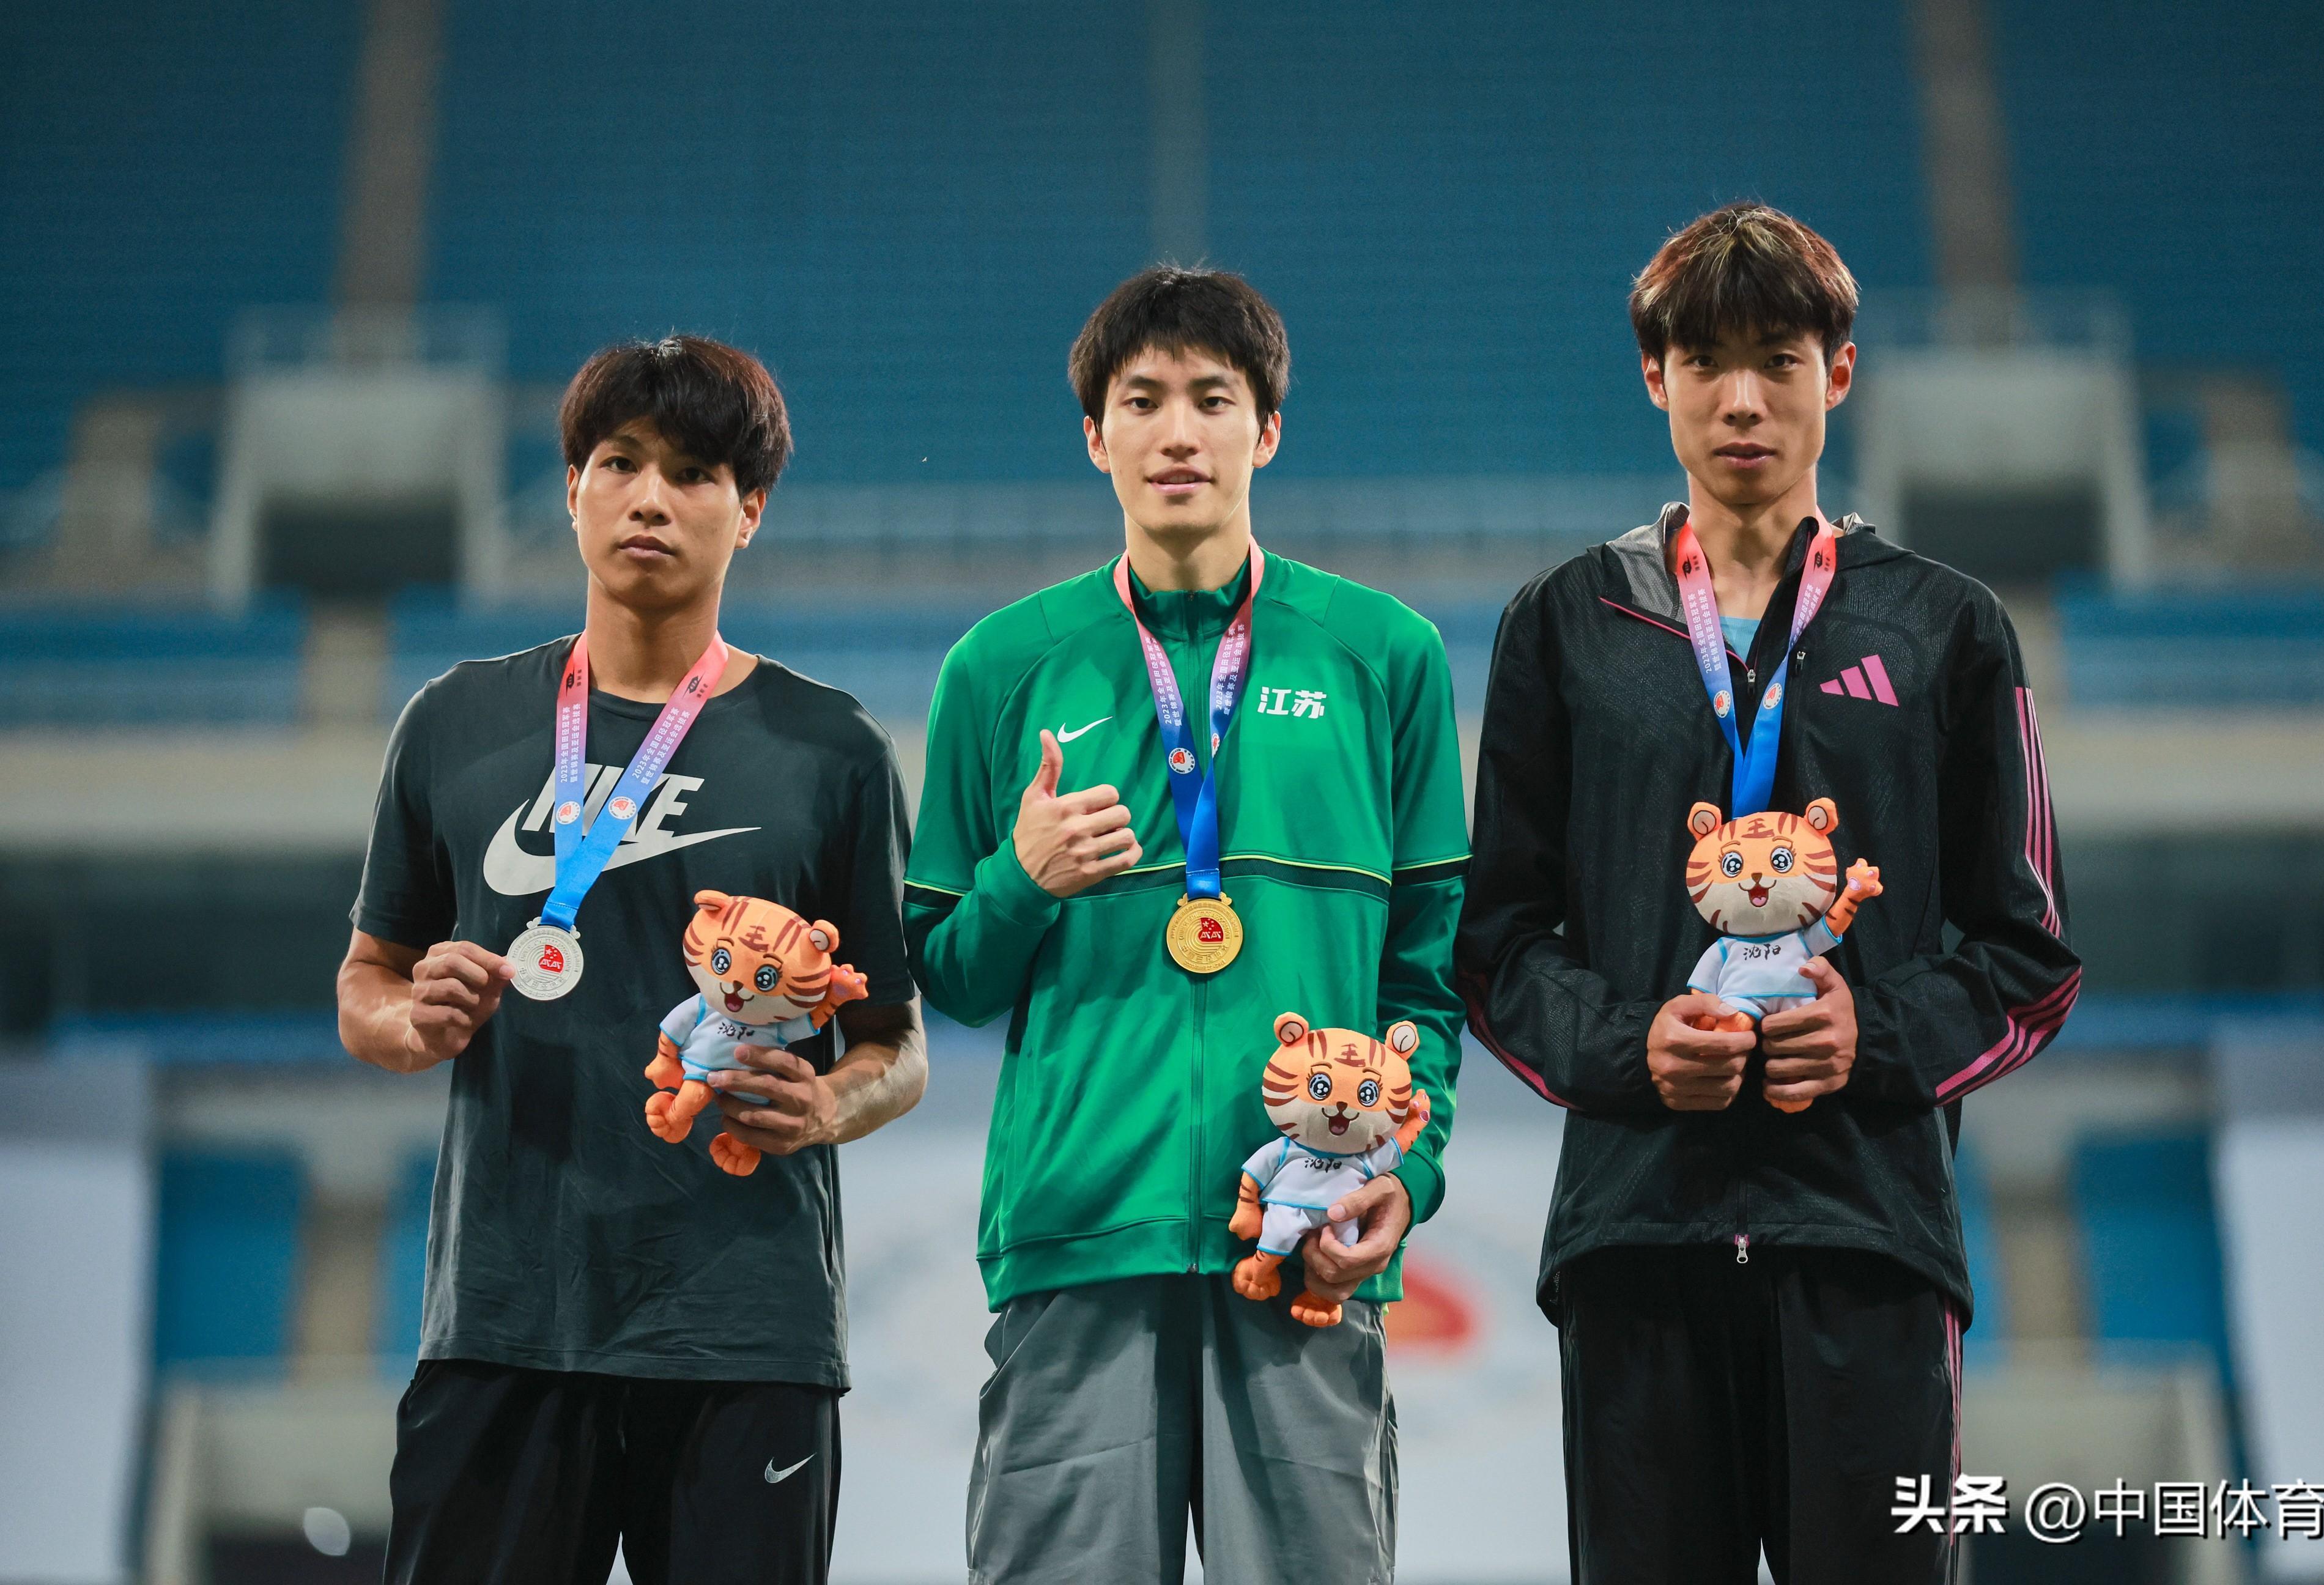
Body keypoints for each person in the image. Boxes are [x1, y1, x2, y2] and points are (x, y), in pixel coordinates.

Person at [1456, 204, 2083, 1584]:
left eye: (1779, 362)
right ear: (1655, 376)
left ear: (1837, 375)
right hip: (1635, 1238)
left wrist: (1874, 1033)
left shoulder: (1944, 625)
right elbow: (1496, 945)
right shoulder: (1567, 623)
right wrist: (1631, 1044)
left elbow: (2029, 954)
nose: (1743, 399)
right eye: (1707, 362)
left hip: (1869, 1242)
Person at [903, 265, 1469, 1583]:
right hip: (1079, 1239)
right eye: (1141, 400)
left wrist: (1410, 1172)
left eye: (1213, 399)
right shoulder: (999, 667)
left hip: (1311, 1239)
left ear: (1266, 430)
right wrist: (1021, 881)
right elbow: (949, 975)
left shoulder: (1385, 656)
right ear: (1093, 436)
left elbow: (1431, 983)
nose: (1177, 433)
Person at [336, 334, 925, 1584]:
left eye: (695, 473)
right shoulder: (454, 722)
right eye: (620, 463)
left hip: (745, 1336)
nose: (650, 497)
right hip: (504, 1322)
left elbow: (898, 1044)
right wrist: (410, 1022)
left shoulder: (833, 753)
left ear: (749, 510)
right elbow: (365, 982)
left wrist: (829, 1105)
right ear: (572, 489)